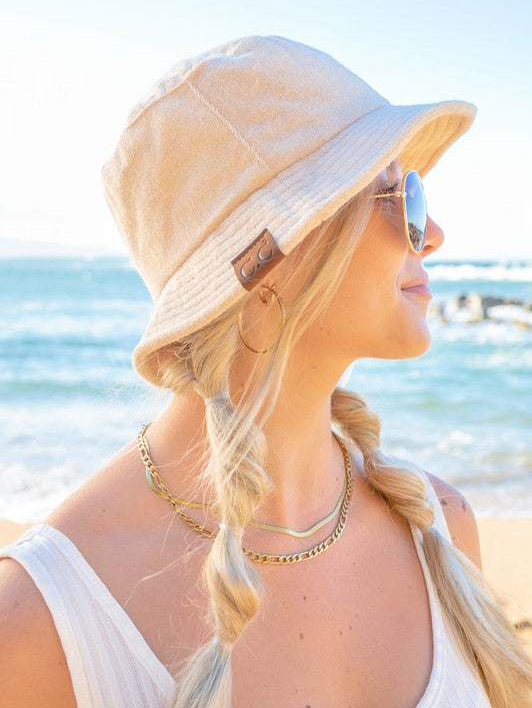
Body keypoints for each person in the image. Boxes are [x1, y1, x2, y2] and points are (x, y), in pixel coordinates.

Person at [0, 35, 530, 708]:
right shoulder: (42, 621)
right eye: (400, 193)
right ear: (276, 256)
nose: (434, 233)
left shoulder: (442, 530)